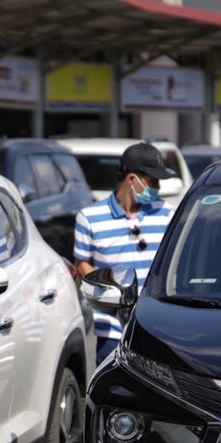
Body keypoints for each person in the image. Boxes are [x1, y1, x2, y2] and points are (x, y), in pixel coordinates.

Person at [72, 141, 174, 363]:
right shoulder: (89, 217)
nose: (157, 187)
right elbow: (82, 264)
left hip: (156, 327)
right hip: (110, 330)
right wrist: (110, 291)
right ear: (132, 179)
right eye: (153, 181)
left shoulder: (167, 214)